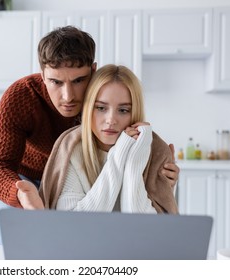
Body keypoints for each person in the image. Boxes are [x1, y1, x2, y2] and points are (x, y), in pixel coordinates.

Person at [0, 26, 179, 212]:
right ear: (43, 75)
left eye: (78, 80)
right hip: (25, 178)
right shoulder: (20, 97)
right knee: (16, 237)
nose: (68, 96)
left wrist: (159, 175)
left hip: (77, 173)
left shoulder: (100, 94)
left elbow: (127, 124)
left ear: (93, 70)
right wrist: (19, 193)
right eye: (56, 82)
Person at [17, 64, 178, 214]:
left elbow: (147, 230)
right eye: (101, 108)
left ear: (134, 111)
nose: (111, 119)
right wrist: (119, 155)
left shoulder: (154, 151)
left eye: (123, 110)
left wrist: (133, 162)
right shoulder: (72, 149)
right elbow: (74, 225)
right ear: (88, 108)